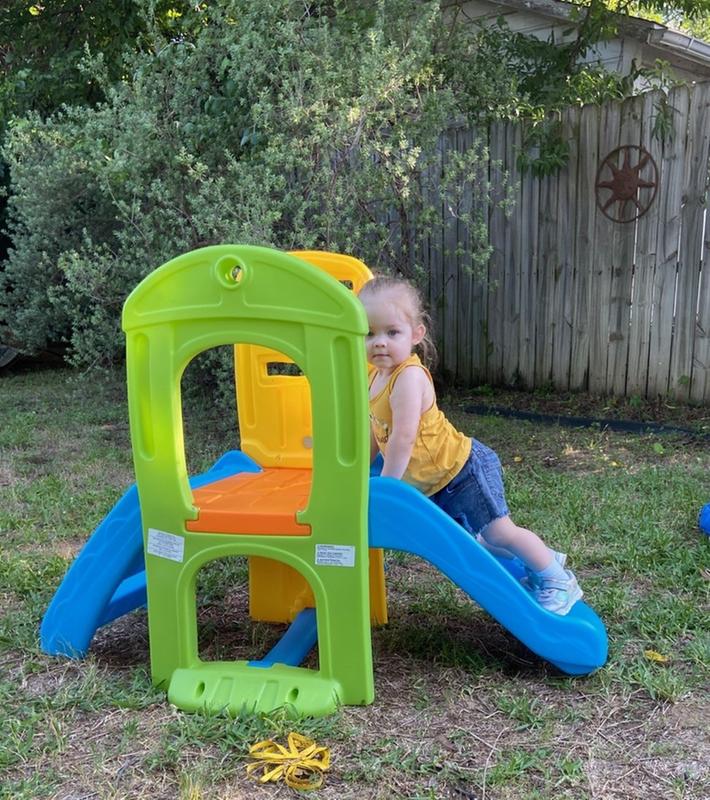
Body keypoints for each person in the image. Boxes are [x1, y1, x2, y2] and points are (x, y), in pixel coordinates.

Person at [359, 275, 582, 616]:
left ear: (416, 334)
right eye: (370, 333)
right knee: (484, 542)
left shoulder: (408, 378)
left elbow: (403, 437)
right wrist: (361, 465)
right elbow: (378, 432)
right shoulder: (375, 377)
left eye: (392, 332)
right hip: (436, 482)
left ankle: (557, 577)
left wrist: (387, 488)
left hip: (462, 471)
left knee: (500, 533)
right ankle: (540, 556)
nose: (379, 343)